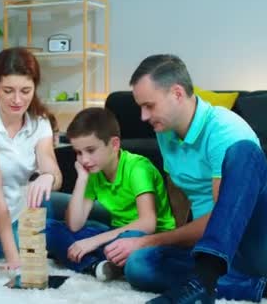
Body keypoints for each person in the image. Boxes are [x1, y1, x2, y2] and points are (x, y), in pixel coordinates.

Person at [120, 54, 267, 303]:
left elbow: (225, 217)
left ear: (176, 93)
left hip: (263, 242)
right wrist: (156, 240)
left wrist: (154, 240)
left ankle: (204, 279)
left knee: (243, 151)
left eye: (149, 106)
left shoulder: (225, 129)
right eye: (140, 107)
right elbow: (178, 190)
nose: (143, 116)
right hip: (211, 247)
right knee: (138, 264)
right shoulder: (166, 131)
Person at [0, 47, 63, 270]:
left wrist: (48, 177)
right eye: (8, 91)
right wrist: (13, 256)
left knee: (80, 216)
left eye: (26, 91)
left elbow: (53, 171)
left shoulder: (40, 121)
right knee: (48, 238)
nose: (17, 100)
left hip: (26, 212)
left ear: (35, 87)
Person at [46, 107, 176, 281]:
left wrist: (94, 241)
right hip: (115, 232)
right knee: (48, 228)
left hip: (145, 238)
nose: (84, 160)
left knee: (132, 256)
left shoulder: (138, 168)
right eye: (78, 152)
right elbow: (74, 225)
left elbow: (148, 224)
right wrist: (82, 179)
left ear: (114, 144)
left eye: (90, 150)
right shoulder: (93, 170)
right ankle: (97, 266)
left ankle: (94, 259)